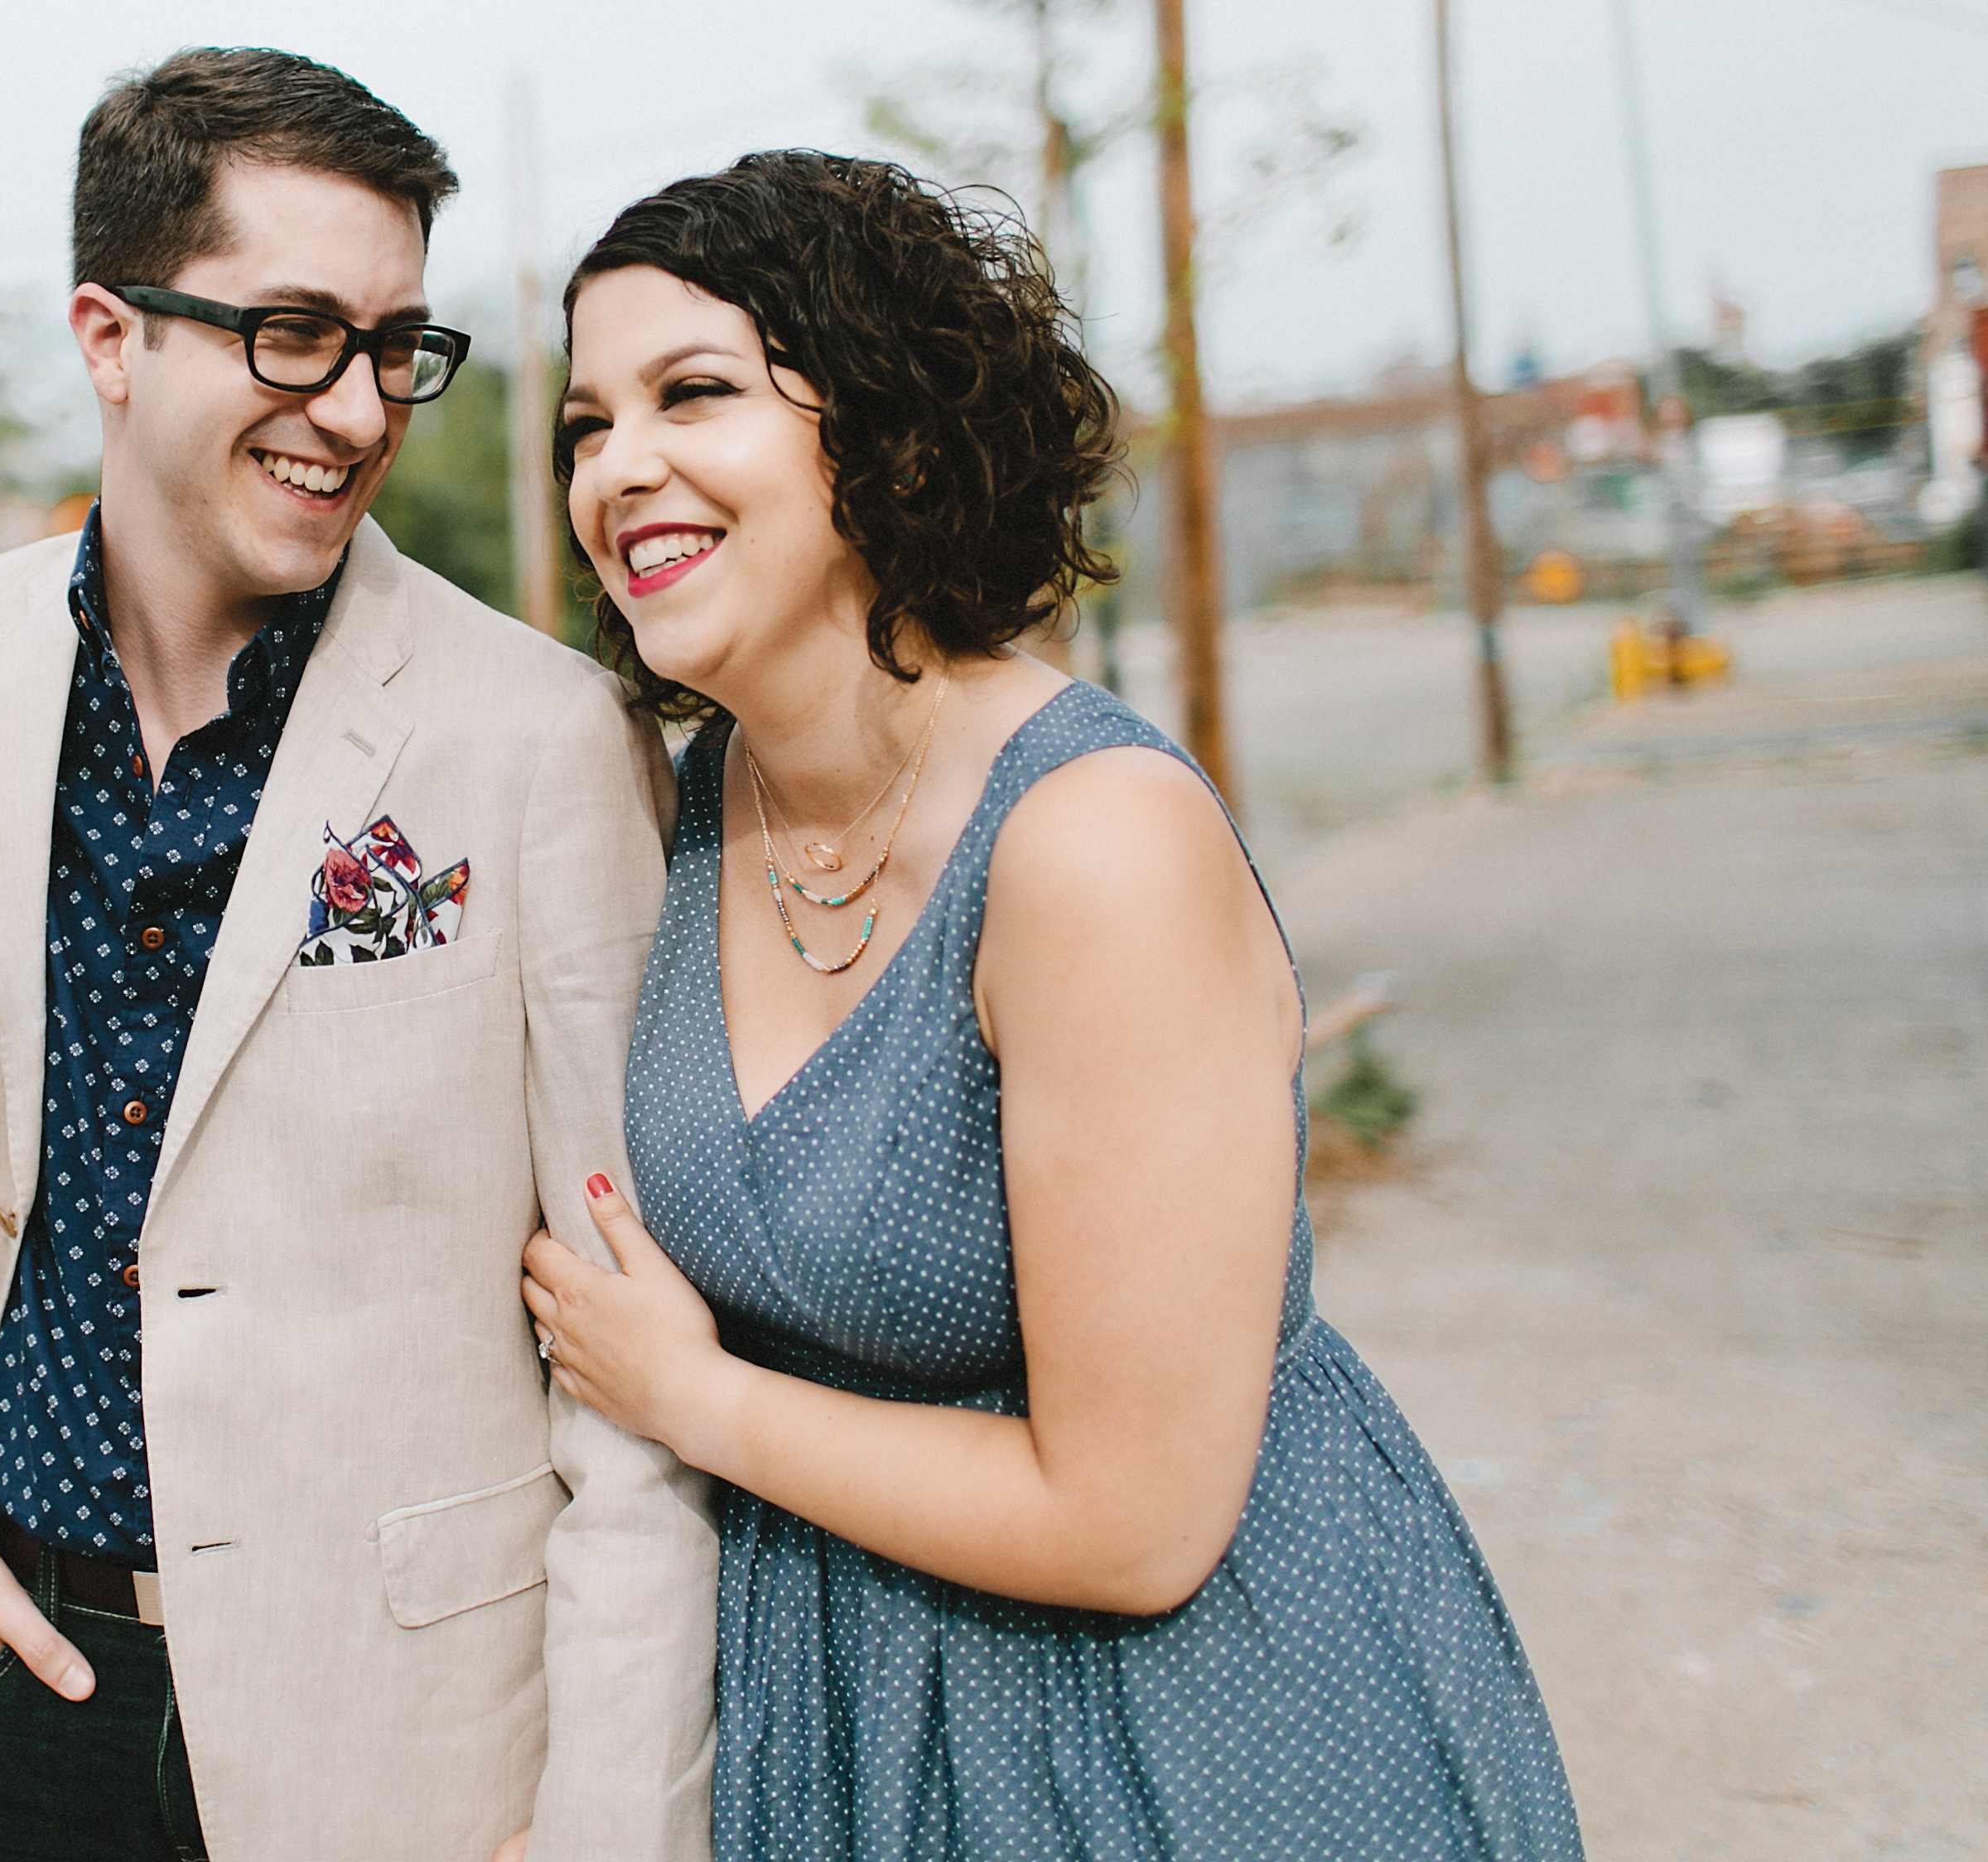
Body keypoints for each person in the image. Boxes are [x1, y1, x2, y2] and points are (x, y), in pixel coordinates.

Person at [521, 151, 1585, 1858]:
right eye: (586, 424)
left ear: (881, 429)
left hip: (1172, 1737)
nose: (617, 467)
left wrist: (696, 1399)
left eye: (693, 395)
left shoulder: (1094, 848)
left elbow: (1137, 1523)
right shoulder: (685, 807)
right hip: (836, 1720)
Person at [0, 47, 716, 1862]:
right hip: (27, 1679)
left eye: (394, 347)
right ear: (112, 337)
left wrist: (604, 1824)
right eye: (291, 332)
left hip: (412, 1738)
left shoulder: (540, 736)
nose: (357, 408)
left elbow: (636, 1356)